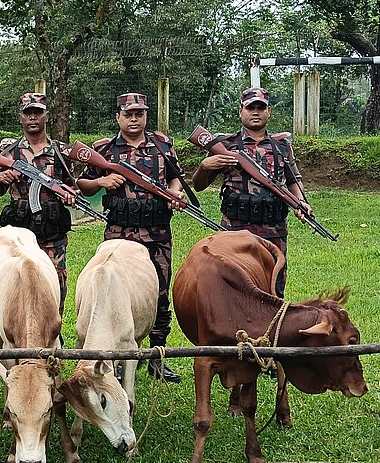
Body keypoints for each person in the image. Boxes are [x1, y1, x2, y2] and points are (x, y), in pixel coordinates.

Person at [76, 92, 186, 383]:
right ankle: (119, 356)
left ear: (146, 116)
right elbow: (82, 184)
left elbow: (176, 177)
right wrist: (101, 181)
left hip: (156, 234)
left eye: (139, 113)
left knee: (159, 294)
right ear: (118, 117)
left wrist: (176, 192)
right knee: (113, 293)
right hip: (118, 235)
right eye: (128, 114)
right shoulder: (104, 149)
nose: (134, 119)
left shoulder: (162, 145)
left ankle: (157, 357)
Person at [191, 86, 311, 297]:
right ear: (241, 111)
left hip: (273, 231)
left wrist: (301, 203)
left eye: (260, 107)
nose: (255, 112)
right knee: (231, 289)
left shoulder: (282, 146)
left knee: (273, 290)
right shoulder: (226, 145)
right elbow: (199, 186)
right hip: (234, 229)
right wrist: (205, 165)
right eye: (250, 108)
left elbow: (294, 180)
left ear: (268, 111)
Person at [0, 92, 76, 309]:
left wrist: (69, 196)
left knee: (54, 290)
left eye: (37, 112)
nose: (32, 117)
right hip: (19, 237)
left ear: (46, 115)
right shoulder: (9, 153)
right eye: (27, 113)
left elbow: (73, 187)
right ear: (20, 117)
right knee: (16, 288)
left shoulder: (60, 151)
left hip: (52, 237)